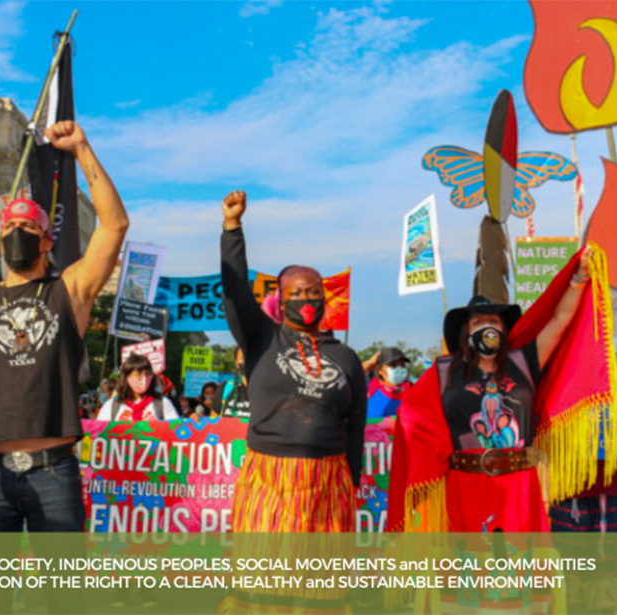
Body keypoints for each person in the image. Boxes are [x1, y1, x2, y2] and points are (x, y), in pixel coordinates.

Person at [0, 120, 129, 537]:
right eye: (10, 227)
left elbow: (114, 227)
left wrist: (81, 149)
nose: (17, 232)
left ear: (46, 241)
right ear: (1, 239)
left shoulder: (68, 291)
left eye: (28, 228)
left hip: (53, 471)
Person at [388, 247, 593, 532]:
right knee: (472, 566)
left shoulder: (524, 362)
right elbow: (413, 417)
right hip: (465, 482)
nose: (488, 327)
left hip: (518, 483)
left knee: (519, 565)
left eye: (494, 321)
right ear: (466, 331)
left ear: (504, 330)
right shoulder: (444, 370)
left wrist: (579, 279)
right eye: (479, 322)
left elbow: (560, 320)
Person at [220, 190, 366, 532]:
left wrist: (353, 481)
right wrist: (232, 228)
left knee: (319, 579)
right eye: (297, 293)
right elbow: (235, 289)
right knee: (263, 578)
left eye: (314, 291)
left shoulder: (344, 356)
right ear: (280, 299)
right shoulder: (262, 337)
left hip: (329, 481)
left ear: (325, 298)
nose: (306, 298)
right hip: (268, 477)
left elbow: (356, 423)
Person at [97, 354, 179, 421]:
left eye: (147, 374)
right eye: (138, 375)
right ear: (127, 377)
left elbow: (175, 432)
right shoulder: (112, 405)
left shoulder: (162, 403)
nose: (143, 379)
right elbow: (100, 433)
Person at [366, 347, 411, 424]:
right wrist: (369, 363)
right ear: (380, 370)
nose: (399, 368)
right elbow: (348, 375)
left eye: (402, 365)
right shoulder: (371, 388)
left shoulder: (414, 391)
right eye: (393, 365)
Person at [217, 347, 251, 418]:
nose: (247, 361)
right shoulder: (225, 388)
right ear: (236, 362)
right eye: (242, 358)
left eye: (250, 357)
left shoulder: (270, 392)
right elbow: (213, 423)